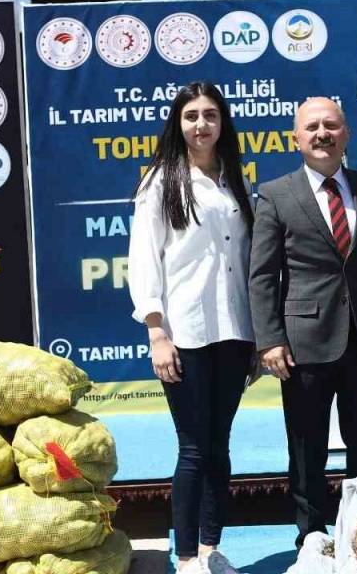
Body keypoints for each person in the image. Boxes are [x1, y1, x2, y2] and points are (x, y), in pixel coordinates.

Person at [248, 97, 357, 548]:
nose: (322, 134)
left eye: (331, 126)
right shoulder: (276, 194)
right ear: (296, 139)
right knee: (306, 450)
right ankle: (312, 537)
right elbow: (262, 275)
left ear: (347, 134)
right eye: (312, 127)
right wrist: (269, 340)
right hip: (302, 346)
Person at [128, 82, 257, 574]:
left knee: (220, 445)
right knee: (193, 447)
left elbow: (246, 260)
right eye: (191, 116)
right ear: (177, 123)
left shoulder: (234, 181)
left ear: (222, 122)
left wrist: (256, 337)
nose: (201, 124)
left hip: (233, 330)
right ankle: (185, 557)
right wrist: (156, 333)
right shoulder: (160, 182)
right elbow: (144, 264)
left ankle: (210, 548)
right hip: (184, 333)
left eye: (210, 115)